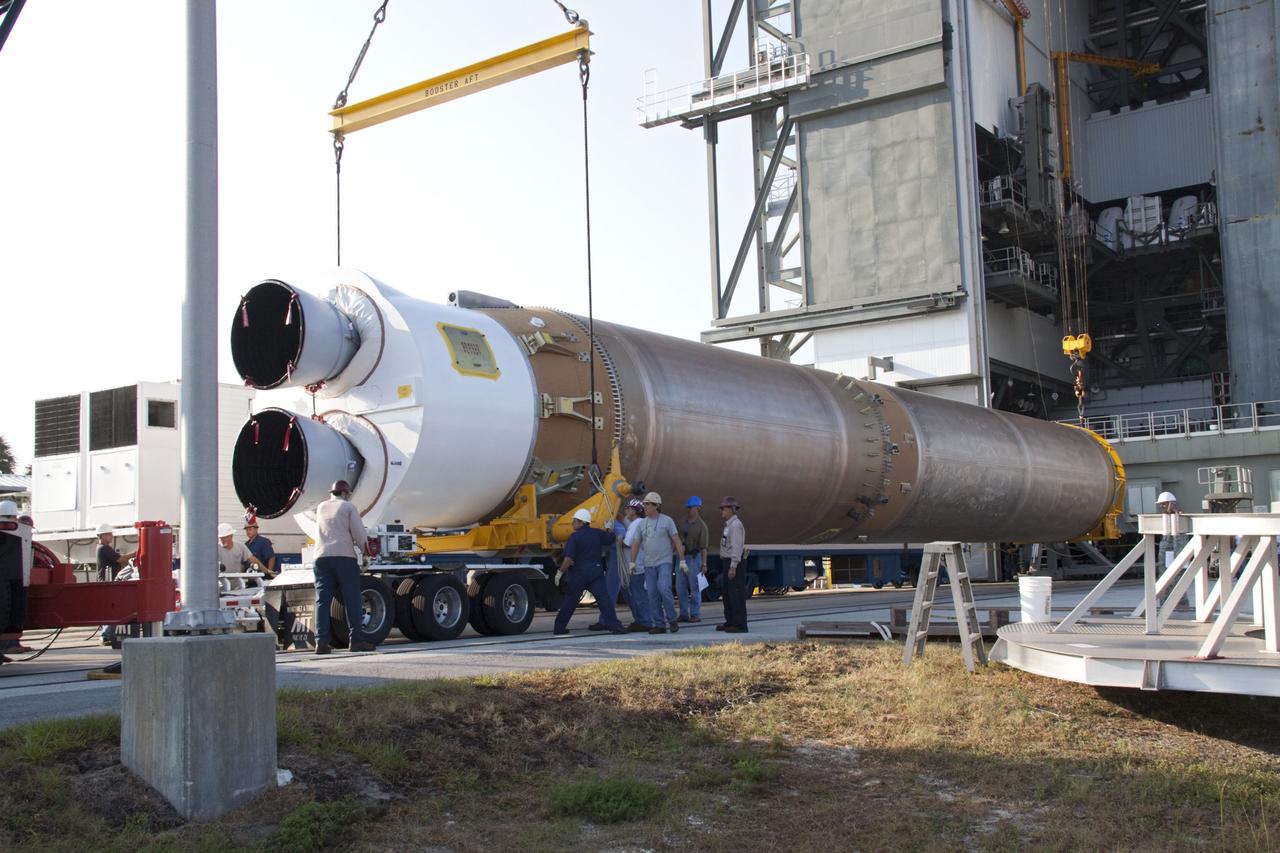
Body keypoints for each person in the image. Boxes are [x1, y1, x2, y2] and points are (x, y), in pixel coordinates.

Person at [313, 480, 374, 654]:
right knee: (352, 599)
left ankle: (321, 643)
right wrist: (366, 551)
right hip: (343, 557)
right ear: (346, 493)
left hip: (320, 557)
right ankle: (356, 641)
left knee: (322, 600)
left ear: (331, 492)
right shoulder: (348, 507)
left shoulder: (321, 507)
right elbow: (358, 532)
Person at [553, 508, 627, 636]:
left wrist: (560, 572)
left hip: (578, 574)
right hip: (595, 573)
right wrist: (608, 528)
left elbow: (569, 559)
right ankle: (616, 627)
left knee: (569, 601)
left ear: (582, 522)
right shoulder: (597, 533)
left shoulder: (574, 537)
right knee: (604, 600)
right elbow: (610, 538)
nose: (572, 523)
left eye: (575, 521)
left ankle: (559, 628)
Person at [629, 491, 686, 634]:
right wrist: (632, 562)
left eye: (647, 504)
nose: (645, 507)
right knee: (652, 594)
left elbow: (676, 540)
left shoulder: (667, 521)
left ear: (656, 506)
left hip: (664, 562)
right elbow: (636, 542)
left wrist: (682, 560)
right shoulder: (642, 524)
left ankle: (672, 619)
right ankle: (659, 624)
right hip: (649, 565)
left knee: (663, 588)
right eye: (644, 504)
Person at [717, 496, 748, 633]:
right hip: (727, 561)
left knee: (736, 593)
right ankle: (730, 621)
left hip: (732, 562)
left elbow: (736, 547)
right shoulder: (729, 525)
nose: (721, 511)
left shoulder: (736, 526)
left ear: (730, 509)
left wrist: (733, 566)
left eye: (723, 508)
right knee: (728, 594)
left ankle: (740, 624)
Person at [620, 499, 652, 632]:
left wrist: (615, 538)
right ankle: (641, 620)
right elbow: (624, 520)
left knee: (639, 596)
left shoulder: (637, 524)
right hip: (639, 566)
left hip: (637, 568)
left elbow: (626, 543)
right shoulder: (638, 522)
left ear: (634, 511)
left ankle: (644, 621)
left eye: (628, 508)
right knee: (637, 595)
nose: (626, 510)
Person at [676, 496, 709, 623]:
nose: (688, 510)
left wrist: (704, 564)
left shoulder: (702, 526)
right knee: (680, 587)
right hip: (681, 558)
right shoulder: (682, 522)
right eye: (688, 507)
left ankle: (695, 614)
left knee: (694, 587)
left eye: (691, 507)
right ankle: (683, 614)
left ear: (698, 508)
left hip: (694, 559)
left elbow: (703, 548)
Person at [1156, 491, 1188, 569]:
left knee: (1180, 569)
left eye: (1163, 504)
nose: (1161, 506)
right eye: (1160, 504)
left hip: (1178, 552)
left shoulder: (1180, 517)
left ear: (1171, 503)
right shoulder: (1164, 519)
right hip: (1168, 554)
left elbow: (1180, 542)